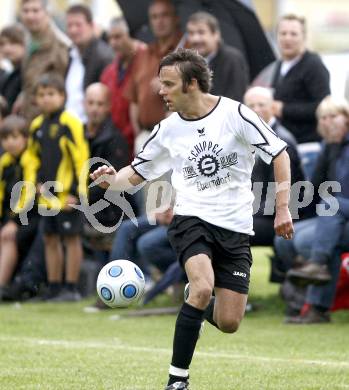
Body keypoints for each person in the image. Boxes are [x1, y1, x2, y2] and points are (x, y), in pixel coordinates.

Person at [90, 48, 294, 389]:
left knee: (229, 322)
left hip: (235, 226)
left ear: (192, 84)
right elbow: (136, 174)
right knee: (202, 287)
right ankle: (177, 380)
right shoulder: (167, 130)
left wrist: (284, 207)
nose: (161, 91)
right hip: (190, 219)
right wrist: (111, 179)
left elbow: (280, 153)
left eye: (168, 84)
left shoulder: (236, 114)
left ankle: (194, 299)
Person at [27, 73, 89, 301]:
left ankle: (70, 288)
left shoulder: (69, 122)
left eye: (51, 94)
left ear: (63, 96)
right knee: (50, 239)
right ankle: (54, 287)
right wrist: (33, 183)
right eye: (41, 95)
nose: (46, 99)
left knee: (71, 239)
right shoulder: (37, 125)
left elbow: (81, 158)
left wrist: (77, 193)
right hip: (47, 197)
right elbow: (32, 157)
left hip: (67, 197)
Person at [253, 14, 330, 144]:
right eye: (283, 33)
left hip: (307, 144)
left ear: (304, 37)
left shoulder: (313, 65)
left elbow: (323, 107)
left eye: (293, 34)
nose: (287, 38)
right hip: (283, 143)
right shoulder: (279, 65)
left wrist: (284, 109)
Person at [244, 86, 304, 246]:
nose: (256, 109)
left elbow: (278, 193)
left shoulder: (282, 141)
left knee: (223, 232)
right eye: (251, 105)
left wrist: (244, 211)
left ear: (273, 107)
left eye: (261, 104)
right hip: (257, 212)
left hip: (280, 217)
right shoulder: (248, 138)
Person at [126, 0, 183, 151]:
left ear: (175, 18)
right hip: (146, 136)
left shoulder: (186, 51)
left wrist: (170, 83)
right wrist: (138, 132)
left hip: (175, 138)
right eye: (155, 17)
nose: (160, 21)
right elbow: (134, 98)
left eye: (165, 15)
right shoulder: (143, 54)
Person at [0, 115, 39, 300]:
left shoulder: (30, 161)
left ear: (25, 138)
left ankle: (2, 284)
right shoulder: (5, 162)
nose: (10, 143)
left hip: (29, 217)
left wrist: (14, 222)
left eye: (15, 137)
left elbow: (28, 194)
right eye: (6, 138)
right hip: (10, 217)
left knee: (8, 237)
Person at [100, 17, 146, 154]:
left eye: (118, 37)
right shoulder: (109, 72)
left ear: (130, 35)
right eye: (110, 38)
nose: (113, 43)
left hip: (140, 144)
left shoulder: (147, 63)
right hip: (114, 145)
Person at [17, 0, 69, 120]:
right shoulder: (28, 39)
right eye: (26, 11)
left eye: (35, 11)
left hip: (47, 120)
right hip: (27, 116)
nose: (30, 16)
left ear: (47, 13)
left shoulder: (60, 45)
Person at [65, 4, 114, 123]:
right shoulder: (69, 54)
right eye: (69, 25)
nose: (73, 30)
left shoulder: (103, 57)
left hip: (90, 128)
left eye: (78, 25)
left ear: (91, 25)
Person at [186, 11, 249, 101]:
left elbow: (236, 97)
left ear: (216, 34)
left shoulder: (232, 59)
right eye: (191, 33)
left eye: (201, 32)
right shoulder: (187, 63)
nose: (195, 39)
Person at [0, 25, 26, 112]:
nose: (7, 48)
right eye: (2, 44)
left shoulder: (28, 72)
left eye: (13, 43)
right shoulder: (8, 73)